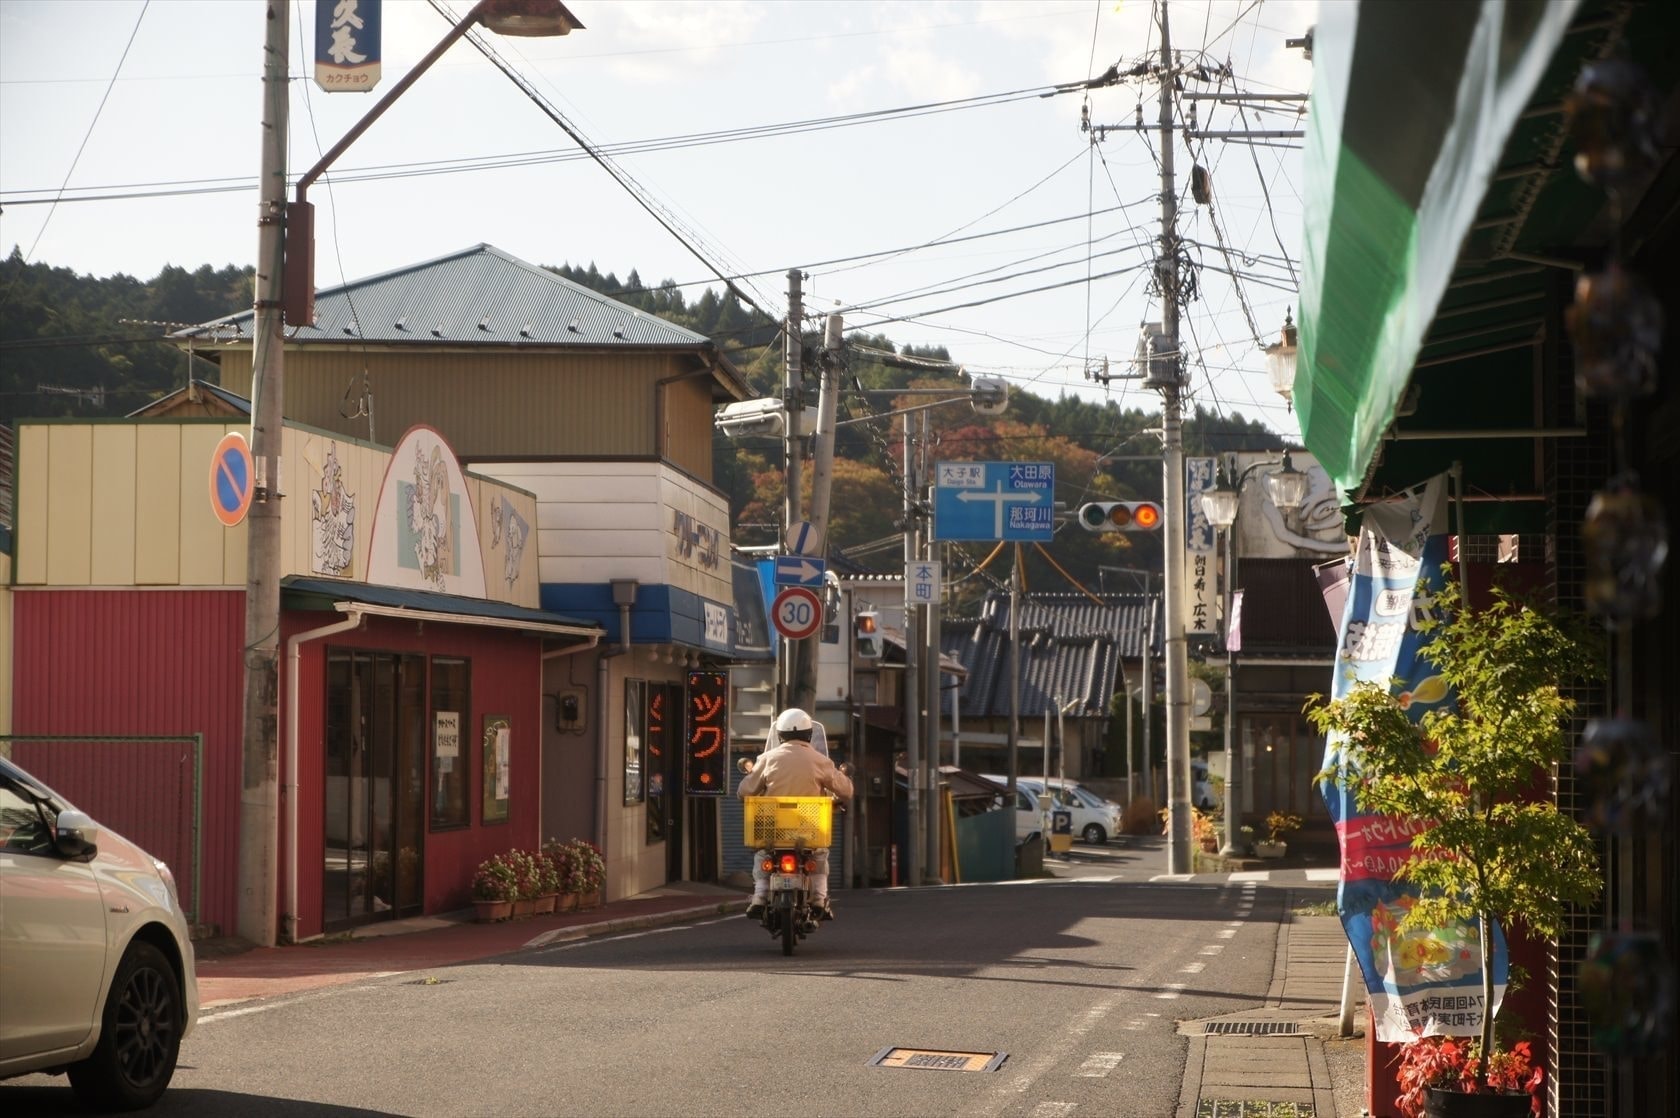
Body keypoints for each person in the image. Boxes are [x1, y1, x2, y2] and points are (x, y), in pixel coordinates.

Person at [737, 708, 853, 922]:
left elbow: (744, 791)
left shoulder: (767, 758)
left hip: (774, 827)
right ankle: (819, 899)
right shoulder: (821, 760)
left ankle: (759, 896)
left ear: (780, 735)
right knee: (818, 855)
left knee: (763, 855)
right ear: (809, 733)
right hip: (810, 828)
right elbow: (846, 790)